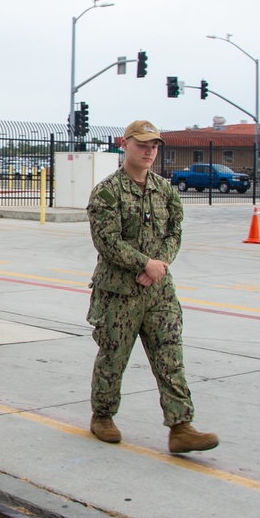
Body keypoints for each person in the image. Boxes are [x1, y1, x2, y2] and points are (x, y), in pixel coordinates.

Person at [85, 120, 218, 453]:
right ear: (125, 144)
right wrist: (144, 264)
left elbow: (175, 230)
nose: (149, 151)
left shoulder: (165, 189)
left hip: (159, 292)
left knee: (170, 356)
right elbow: (106, 240)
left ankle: (180, 426)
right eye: (142, 144)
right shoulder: (107, 191)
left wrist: (160, 265)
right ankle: (102, 416)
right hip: (119, 293)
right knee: (113, 358)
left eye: (154, 146)